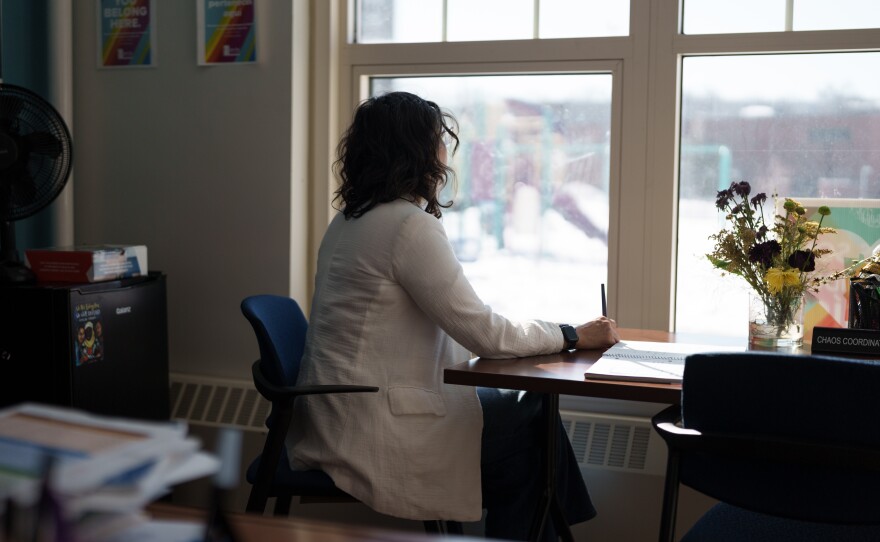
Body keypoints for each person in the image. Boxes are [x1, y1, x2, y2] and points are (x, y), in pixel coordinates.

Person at [288, 91, 619, 540]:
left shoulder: (350, 218)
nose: (445, 153)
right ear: (417, 152)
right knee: (536, 422)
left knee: (528, 443)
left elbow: (465, 323)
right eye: (439, 140)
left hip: (337, 414)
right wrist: (572, 334)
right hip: (373, 422)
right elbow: (483, 334)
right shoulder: (406, 225)